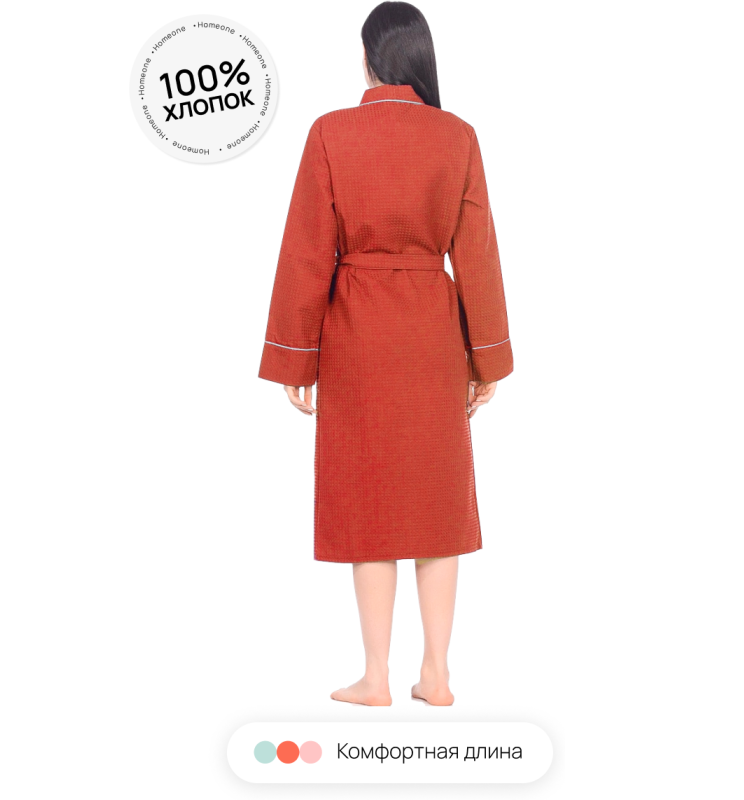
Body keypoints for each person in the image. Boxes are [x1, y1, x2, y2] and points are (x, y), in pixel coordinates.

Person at [257, 1, 513, 707]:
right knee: (435, 503)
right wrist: (486, 358)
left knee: (367, 500)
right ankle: (437, 674)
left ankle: (375, 677)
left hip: (357, 336)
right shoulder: (458, 137)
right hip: (434, 335)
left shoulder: (331, 133)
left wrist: (295, 358)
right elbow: (478, 254)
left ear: (370, 58)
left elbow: (306, 251)